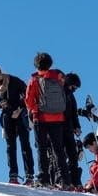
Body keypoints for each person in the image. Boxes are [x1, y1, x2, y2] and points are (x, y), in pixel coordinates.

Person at [24, 53, 70, 188]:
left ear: (36, 65)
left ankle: (44, 178)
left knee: (42, 149)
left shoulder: (34, 80)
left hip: (41, 118)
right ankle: (64, 180)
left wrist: (35, 110)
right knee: (58, 149)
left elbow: (28, 100)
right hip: (58, 117)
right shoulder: (58, 76)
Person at [0, 62, 34, 185]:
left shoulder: (15, 81)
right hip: (8, 116)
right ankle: (13, 175)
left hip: (21, 115)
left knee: (25, 145)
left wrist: (20, 109)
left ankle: (29, 175)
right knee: (10, 146)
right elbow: (3, 104)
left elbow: (27, 97)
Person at [62, 72, 84, 188]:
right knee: (60, 154)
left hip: (69, 129)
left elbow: (74, 113)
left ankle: (75, 181)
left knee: (73, 155)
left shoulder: (71, 96)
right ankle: (62, 179)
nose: (74, 90)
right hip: (58, 128)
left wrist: (77, 126)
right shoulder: (60, 93)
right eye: (73, 87)